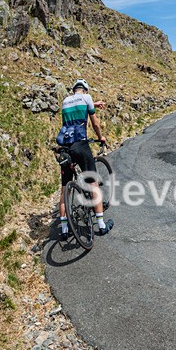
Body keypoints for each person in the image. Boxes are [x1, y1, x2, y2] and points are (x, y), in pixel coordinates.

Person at [58, 79, 113, 240]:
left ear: (74, 89)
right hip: (81, 145)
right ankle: (102, 225)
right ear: (86, 90)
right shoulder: (86, 98)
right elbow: (95, 123)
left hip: (65, 149)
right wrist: (101, 137)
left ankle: (64, 229)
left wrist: (93, 104)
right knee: (93, 183)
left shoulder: (65, 101)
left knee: (63, 190)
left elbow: (76, 110)